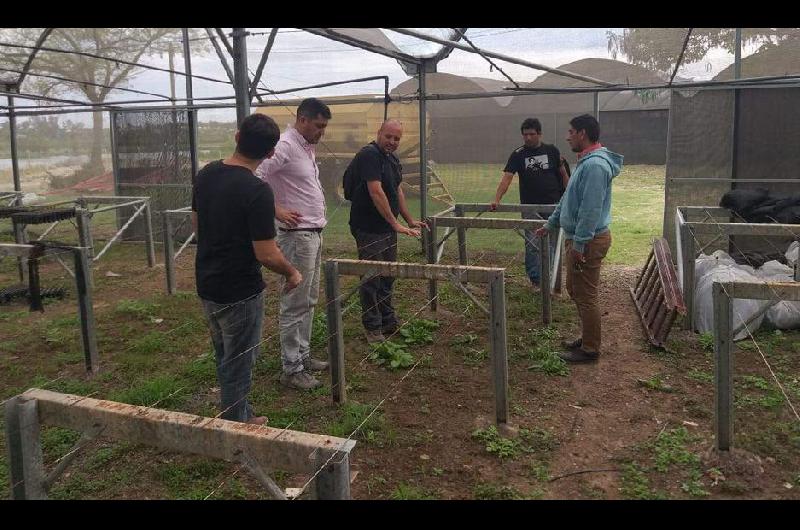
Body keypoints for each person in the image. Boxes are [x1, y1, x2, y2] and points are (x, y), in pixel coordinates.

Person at [192, 113, 302, 424]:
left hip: (208, 282)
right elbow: (266, 253)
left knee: (224, 353)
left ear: (237, 137)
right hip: (240, 290)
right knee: (239, 359)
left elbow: (197, 226)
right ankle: (236, 422)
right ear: (270, 153)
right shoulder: (257, 191)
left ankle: (236, 411)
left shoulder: (207, 174)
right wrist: (292, 272)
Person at [256, 98, 331, 391]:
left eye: (324, 127)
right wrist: (276, 209)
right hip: (297, 235)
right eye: (318, 126)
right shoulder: (285, 145)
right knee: (295, 302)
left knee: (309, 300)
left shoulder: (304, 147)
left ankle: (303, 355)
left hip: (312, 233)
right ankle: (291, 367)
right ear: (302, 119)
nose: (321, 132)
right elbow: (256, 174)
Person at [535, 114, 623, 363]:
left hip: (589, 239)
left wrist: (581, 243)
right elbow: (568, 199)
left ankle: (590, 349)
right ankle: (587, 338)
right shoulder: (585, 162)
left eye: (571, 132)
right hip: (579, 237)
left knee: (586, 294)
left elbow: (590, 209)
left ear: (582, 133)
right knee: (576, 289)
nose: (567, 136)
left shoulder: (595, 166)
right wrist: (550, 224)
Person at [345, 119, 427, 344]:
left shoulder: (391, 158)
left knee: (388, 274)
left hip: (387, 227)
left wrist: (409, 220)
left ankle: (387, 320)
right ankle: (372, 327)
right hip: (369, 227)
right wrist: (394, 223)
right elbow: (376, 192)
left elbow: (396, 190)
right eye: (388, 136)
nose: (392, 142)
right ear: (379, 133)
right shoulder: (369, 155)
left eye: (397, 138)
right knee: (372, 276)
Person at [490, 118, 569, 289]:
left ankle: (551, 279)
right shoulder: (518, 154)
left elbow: (563, 174)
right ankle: (536, 281)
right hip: (529, 207)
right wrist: (497, 199)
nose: (527, 138)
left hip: (553, 205)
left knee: (553, 243)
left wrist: (569, 197)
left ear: (539, 134)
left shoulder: (552, 151)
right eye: (525, 135)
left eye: (531, 134)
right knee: (532, 243)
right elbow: (507, 178)